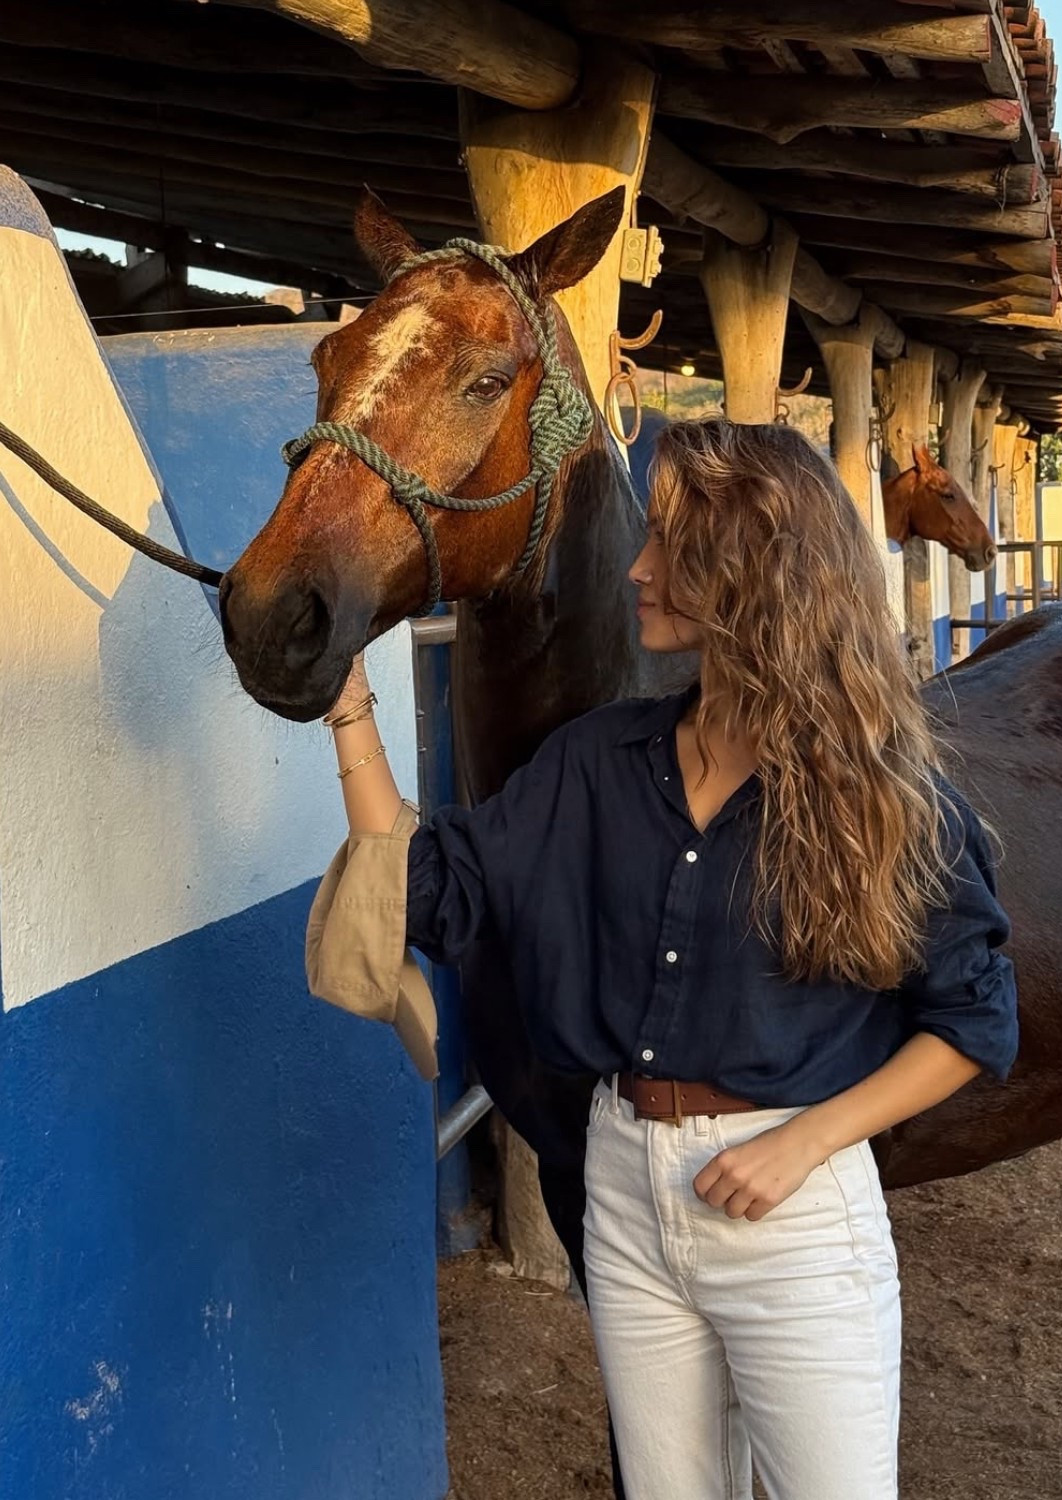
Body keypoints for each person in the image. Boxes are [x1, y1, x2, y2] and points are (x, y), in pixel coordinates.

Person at [320, 419, 1018, 1500]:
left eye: (675, 544)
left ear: (759, 568)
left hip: (791, 1202)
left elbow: (976, 1019)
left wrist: (809, 1142)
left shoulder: (883, 797)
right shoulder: (599, 760)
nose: (638, 567)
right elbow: (432, 884)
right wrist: (351, 710)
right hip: (625, 1190)